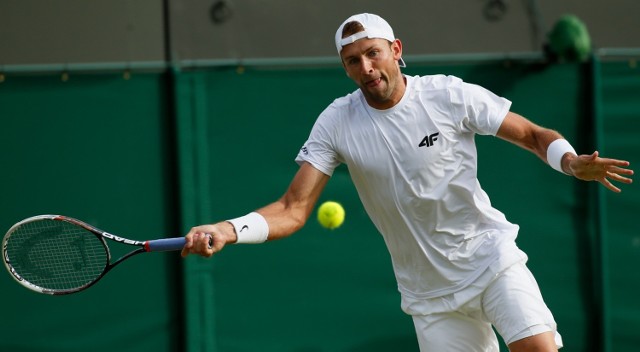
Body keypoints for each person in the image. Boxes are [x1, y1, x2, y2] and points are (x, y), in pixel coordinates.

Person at [181, 13, 633, 352]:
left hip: (490, 261)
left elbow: (534, 136)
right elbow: (293, 209)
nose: (365, 67)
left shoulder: (448, 94)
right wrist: (227, 229)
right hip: (428, 295)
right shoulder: (336, 122)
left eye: (372, 53)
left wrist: (570, 162)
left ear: (396, 49)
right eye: (352, 61)